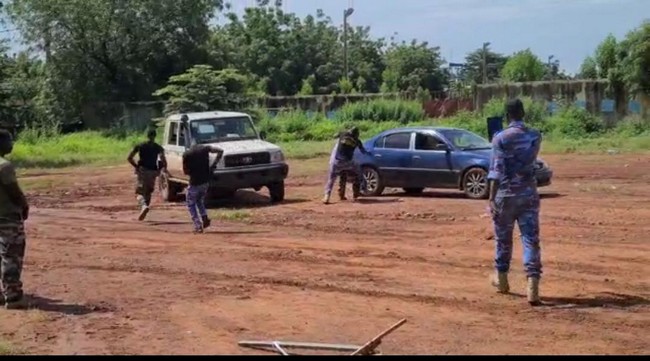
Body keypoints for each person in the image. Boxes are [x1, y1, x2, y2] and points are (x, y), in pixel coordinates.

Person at [487, 98, 543, 306]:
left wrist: (491, 198)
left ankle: (501, 280)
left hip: (506, 194)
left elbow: (496, 170)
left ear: (507, 115)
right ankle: (533, 286)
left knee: (503, 239)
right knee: (530, 239)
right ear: (523, 113)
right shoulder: (535, 136)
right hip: (528, 193)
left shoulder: (500, 138)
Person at [0, 129, 29, 309]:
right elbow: (13, 191)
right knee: (11, 255)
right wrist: (24, 205)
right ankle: (13, 296)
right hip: (7, 216)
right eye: (9, 140)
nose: (12, 144)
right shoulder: (4, 166)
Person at [182, 143, 224, 234]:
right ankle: (204, 217)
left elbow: (185, 171)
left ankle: (198, 225)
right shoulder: (205, 149)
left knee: (191, 203)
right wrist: (213, 165)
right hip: (205, 181)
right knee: (199, 201)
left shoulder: (187, 155)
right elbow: (220, 151)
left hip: (194, 182)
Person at [322, 127, 370, 204]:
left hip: (336, 161)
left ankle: (326, 197)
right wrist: (369, 153)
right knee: (358, 172)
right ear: (357, 135)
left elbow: (334, 135)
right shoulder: (357, 141)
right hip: (348, 163)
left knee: (331, 179)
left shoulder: (343, 134)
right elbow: (363, 151)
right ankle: (362, 189)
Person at [127, 129, 167, 221]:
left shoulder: (140, 146)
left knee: (139, 192)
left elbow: (129, 158)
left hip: (142, 171)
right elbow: (163, 161)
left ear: (147, 136)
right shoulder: (158, 147)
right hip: (153, 172)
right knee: (148, 192)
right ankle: (144, 208)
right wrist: (162, 169)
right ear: (155, 136)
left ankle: (144, 206)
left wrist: (136, 166)